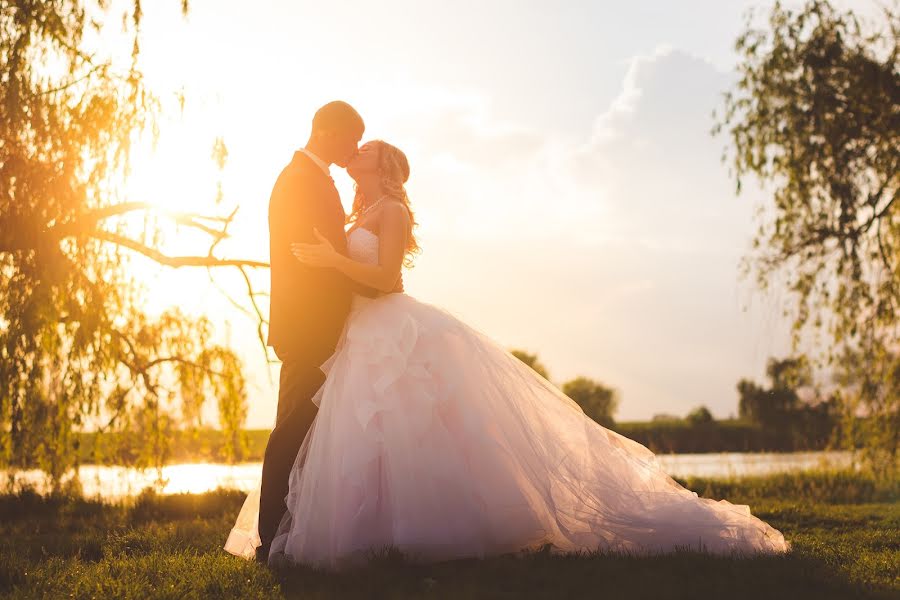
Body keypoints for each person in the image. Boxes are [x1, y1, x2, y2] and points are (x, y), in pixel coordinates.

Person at [227, 139, 789, 570]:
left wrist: (332, 262)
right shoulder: (358, 213)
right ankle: (375, 537)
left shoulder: (392, 211)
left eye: (367, 150)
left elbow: (388, 278)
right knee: (363, 439)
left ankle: (433, 535)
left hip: (389, 327)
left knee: (404, 430)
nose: (358, 152)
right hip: (356, 334)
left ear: (385, 166)